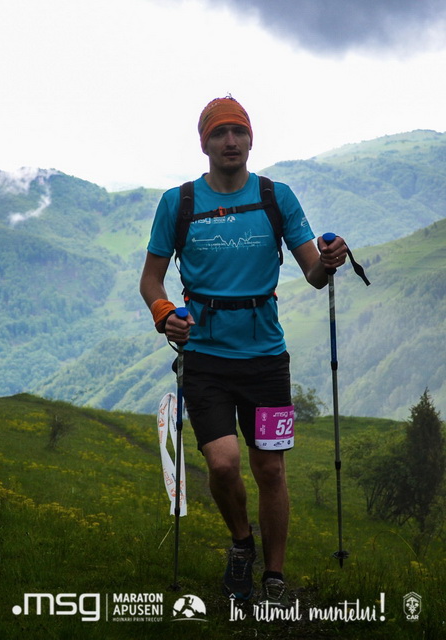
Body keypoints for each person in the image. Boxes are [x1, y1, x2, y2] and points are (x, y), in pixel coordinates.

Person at [140, 96, 347, 606]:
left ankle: (273, 577)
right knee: (223, 463)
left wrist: (329, 260)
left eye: (239, 132)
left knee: (271, 469)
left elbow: (314, 275)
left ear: (251, 140)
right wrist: (165, 313)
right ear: (204, 143)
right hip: (205, 358)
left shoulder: (277, 197)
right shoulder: (178, 203)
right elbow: (151, 280)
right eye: (219, 133)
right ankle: (241, 543)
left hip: (267, 360)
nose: (230, 141)